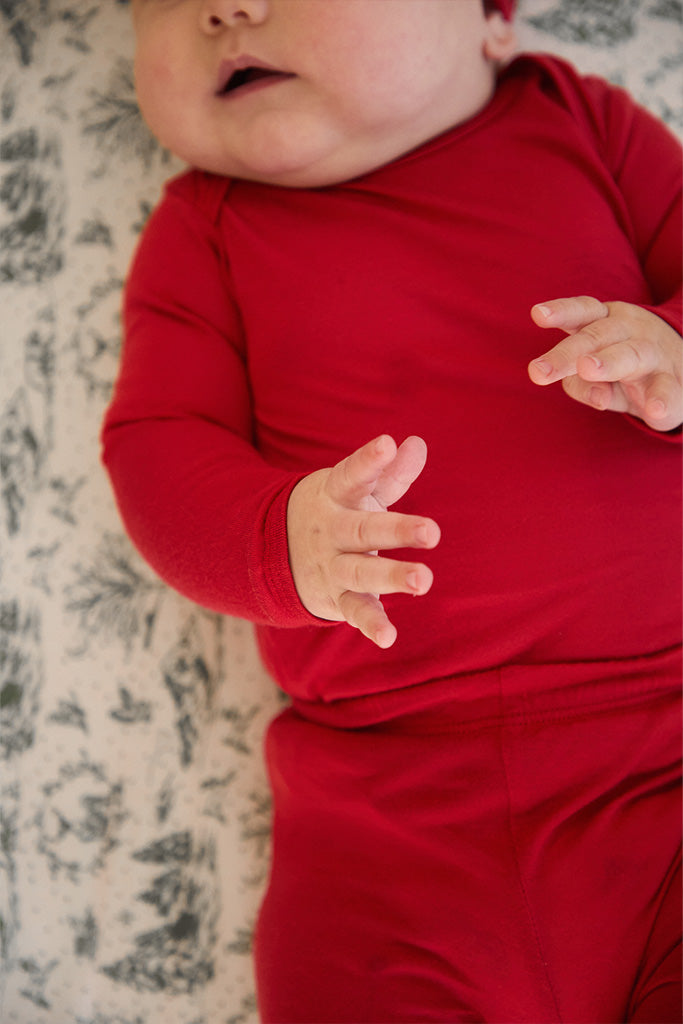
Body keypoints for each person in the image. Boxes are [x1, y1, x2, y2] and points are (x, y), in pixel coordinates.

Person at [102, 1, 682, 1020]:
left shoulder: (583, 125)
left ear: (491, 17)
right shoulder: (203, 228)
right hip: (383, 816)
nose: (222, 9)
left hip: (662, 752)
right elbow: (157, 447)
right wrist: (273, 537)